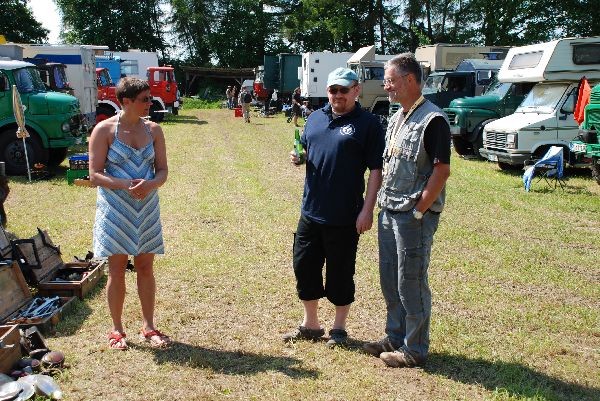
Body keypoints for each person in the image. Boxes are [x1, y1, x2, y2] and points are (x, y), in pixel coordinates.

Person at [285, 68, 385, 348]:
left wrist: (367, 210)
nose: (338, 95)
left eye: (344, 89)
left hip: (345, 215)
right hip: (311, 211)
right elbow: (305, 149)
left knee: (341, 272)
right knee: (304, 267)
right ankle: (311, 325)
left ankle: (339, 328)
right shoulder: (315, 117)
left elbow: (376, 170)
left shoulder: (368, 124)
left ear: (357, 90)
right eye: (333, 90)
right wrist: (298, 156)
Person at [363, 53, 451, 367]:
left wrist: (419, 210)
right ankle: (395, 336)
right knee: (390, 278)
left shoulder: (433, 119)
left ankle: (414, 349)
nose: (386, 87)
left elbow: (441, 171)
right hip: (390, 209)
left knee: (410, 280)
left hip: (413, 216)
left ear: (409, 80)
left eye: (390, 80)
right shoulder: (399, 115)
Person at [89, 77, 171, 350]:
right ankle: (117, 330)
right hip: (115, 209)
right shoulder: (104, 130)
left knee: (146, 267)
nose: (150, 103)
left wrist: (150, 184)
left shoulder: (154, 130)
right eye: (144, 99)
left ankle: (148, 326)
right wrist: (125, 184)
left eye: (149, 98)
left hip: (146, 208)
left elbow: (163, 171)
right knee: (117, 269)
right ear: (126, 102)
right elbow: (95, 174)